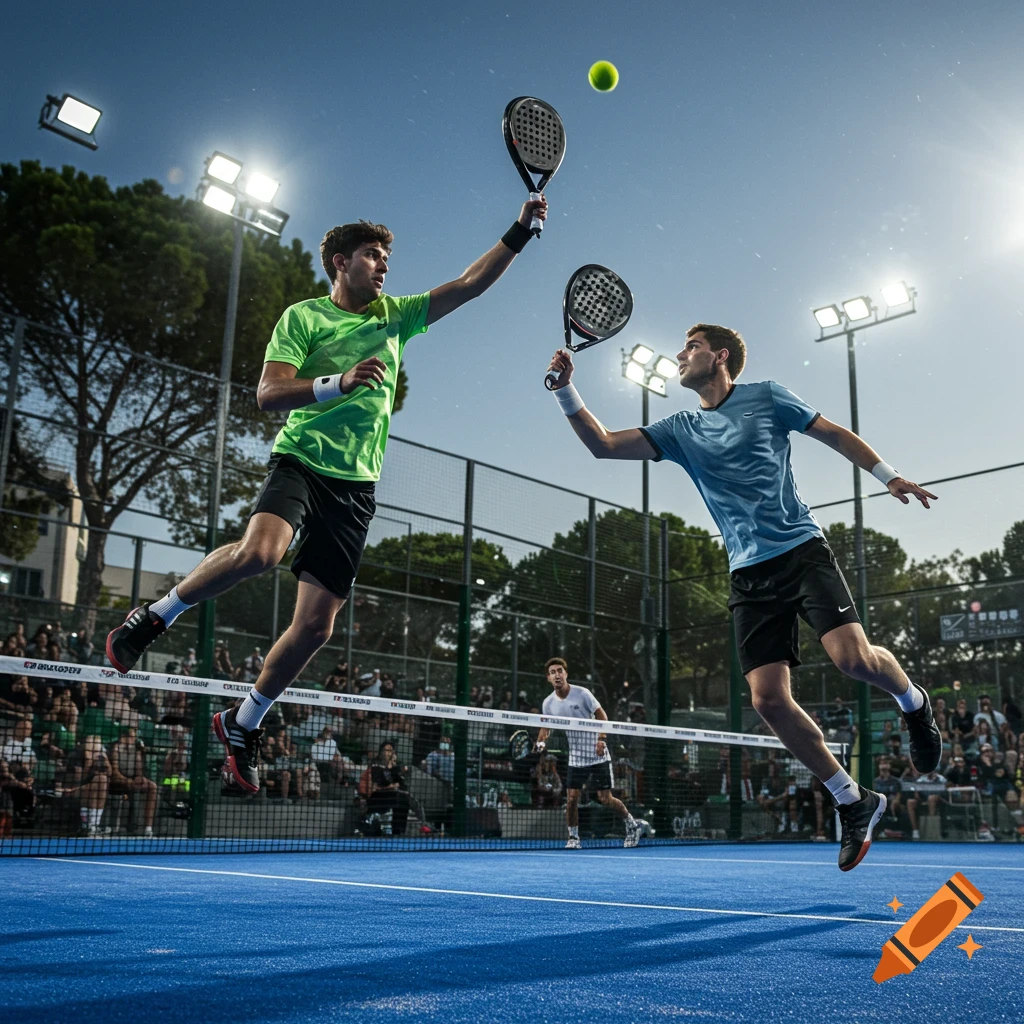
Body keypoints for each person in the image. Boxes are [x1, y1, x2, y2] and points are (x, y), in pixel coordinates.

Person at [107, 197, 549, 793]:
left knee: (316, 630)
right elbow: (267, 394)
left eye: (387, 256)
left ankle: (243, 722)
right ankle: (156, 616)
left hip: (356, 488)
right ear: (341, 263)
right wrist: (334, 384)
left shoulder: (396, 316)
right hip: (301, 463)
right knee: (260, 554)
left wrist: (520, 230)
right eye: (373, 255)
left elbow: (471, 284)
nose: (384, 265)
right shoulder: (304, 318)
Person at [545, 323, 942, 871]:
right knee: (768, 701)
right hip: (748, 574)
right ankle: (853, 800)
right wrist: (566, 389)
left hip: (802, 552)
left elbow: (832, 433)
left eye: (692, 347)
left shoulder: (768, 397)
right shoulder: (681, 427)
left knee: (854, 661)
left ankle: (913, 703)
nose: (681, 355)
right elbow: (603, 445)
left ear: (720, 355)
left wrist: (889, 476)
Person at [533, 657, 643, 850]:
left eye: (560, 671)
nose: (557, 675)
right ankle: (573, 838)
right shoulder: (548, 703)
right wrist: (541, 741)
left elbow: (602, 716)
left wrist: (602, 739)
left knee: (605, 798)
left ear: (566, 674)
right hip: (576, 756)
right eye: (552, 672)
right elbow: (546, 727)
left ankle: (632, 825)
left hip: (596, 752)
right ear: (548, 678)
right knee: (572, 797)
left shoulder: (582, 694)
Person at [108, 725, 156, 837]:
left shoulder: (136, 750)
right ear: (123, 737)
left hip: (131, 781)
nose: (133, 740)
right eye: (130, 737)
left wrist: (139, 777)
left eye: (134, 737)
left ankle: (148, 829)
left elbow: (138, 771)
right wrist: (128, 781)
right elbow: (114, 772)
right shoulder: (115, 749)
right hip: (116, 781)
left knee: (152, 786)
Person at [365, 741, 412, 837]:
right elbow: (376, 786)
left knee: (404, 799)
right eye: (387, 750)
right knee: (398, 797)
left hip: (393, 795)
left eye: (391, 751)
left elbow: (401, 783)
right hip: (378, 796)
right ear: (381, 752)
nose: (389, 753)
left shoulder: (395, 766)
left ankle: (398, 831)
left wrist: (394, 767)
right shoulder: (375, 765)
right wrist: (390, 786)